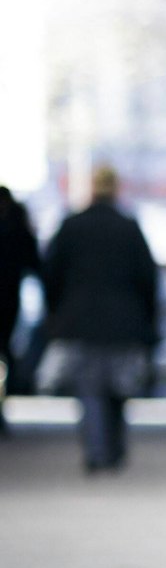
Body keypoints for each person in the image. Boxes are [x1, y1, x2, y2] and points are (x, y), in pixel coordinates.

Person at [38, 165, 159, 473]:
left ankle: (95, 450)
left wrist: (55, 312)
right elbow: (148, 278)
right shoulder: (129, 228)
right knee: (118, 390)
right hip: (123, 323)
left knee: (89, 390)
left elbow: (50, 274)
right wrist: (148, 319)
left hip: (80, 322)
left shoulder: (71, 226)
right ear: (116, 189)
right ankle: (115, 449)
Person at [0, 185, 42, 432]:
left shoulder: (16, 222)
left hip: (8, 298)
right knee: (5, 350)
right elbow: (33, 261)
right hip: (8, 297)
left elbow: (32, 260)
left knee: (5, 350)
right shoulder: (16, 221)